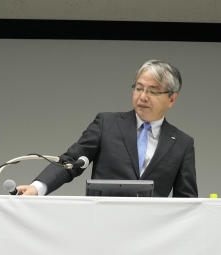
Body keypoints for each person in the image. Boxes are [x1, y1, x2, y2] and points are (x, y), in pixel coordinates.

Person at [17, 59, 197, 198]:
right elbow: (71, 161)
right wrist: (37, 188)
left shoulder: (182, 143)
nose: (143, 97)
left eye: (152, 91)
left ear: (172, 99)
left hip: (153, 235)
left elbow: (187, 200)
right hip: (102, 225)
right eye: (139, 88)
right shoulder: (107, 124)